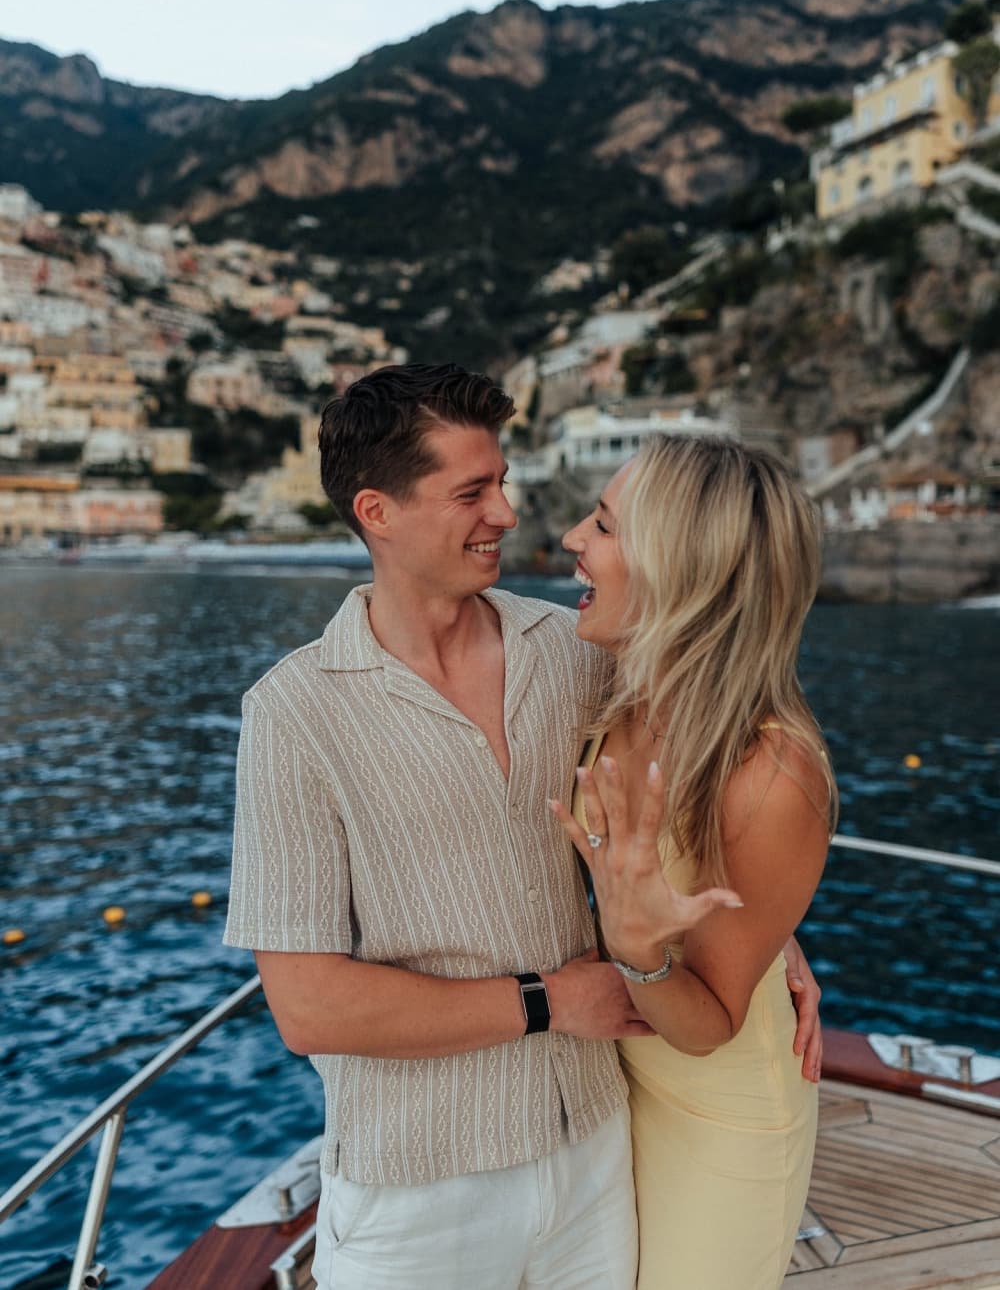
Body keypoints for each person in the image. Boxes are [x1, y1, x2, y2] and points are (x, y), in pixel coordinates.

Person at [223, 364, 821, 1290]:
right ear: (378, 512)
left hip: (595, 1138)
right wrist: (549, 999)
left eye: (501, 482)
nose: (507, 512)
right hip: (417, 1183)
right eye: (472, 491)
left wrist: (770, 936)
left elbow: (715, 768)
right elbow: (307, 1008)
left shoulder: (577, 652)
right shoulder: (293, 714)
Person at [550, 434, 836, 1290]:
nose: (570, 538)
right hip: (609, 1088)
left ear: (681, 570)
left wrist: (638, 947)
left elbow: (709, 1024)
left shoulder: (773, 774)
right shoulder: (604, 686)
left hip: (722, 1118)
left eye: (602, 524)